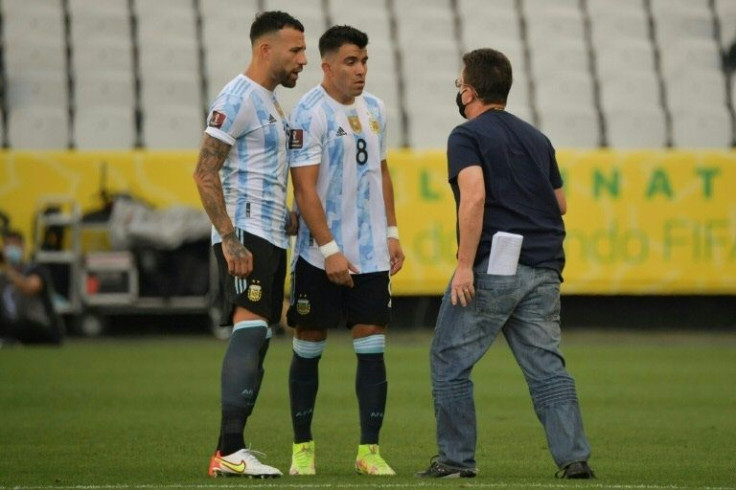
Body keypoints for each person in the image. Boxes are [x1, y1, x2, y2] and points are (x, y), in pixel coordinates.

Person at [415, 48, 595, 479]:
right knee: (547, 367)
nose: (458, 92)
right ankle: (574, 459)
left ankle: (456, 460)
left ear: (471, 91)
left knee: (449, 359)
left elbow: (474, 196)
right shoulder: (537, 138)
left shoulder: (467, 135)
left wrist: (463, 265)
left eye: (460, 85)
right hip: (545, 265)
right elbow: (561, 203)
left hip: (497, 263)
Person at [286, 25, 404, 476]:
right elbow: (305, 188)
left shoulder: (376, 109)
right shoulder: (309, 113)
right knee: (310, 343)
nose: (361, 70)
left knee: (372, 346)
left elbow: (383, 172)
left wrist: (391, 231)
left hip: (372, 254)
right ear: (328, 65)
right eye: (352, 62)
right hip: (320, 256)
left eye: (365, 61)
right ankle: (303, 450)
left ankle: (369, 452)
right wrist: (330, 248)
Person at [192, 10, 306, 479]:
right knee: (251, 330)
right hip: (247, 237)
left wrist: (289, 218)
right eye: (295, 50)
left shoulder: (269, 102)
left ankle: (228, 451)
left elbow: (255, 175)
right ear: (266, 49)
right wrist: (229, 240)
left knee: (259, 338)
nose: (303, 60)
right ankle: (232, 448)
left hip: (269, 232)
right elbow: (204, 171)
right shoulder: (237, 98)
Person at [0, 230, 64, 346]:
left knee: (20, 325)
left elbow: (29, 288)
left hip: (41, 327)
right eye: (7, 245)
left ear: (22, 247)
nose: (10, 249)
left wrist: (7, 268)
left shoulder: (35, 270)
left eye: (15, 245)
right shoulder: (2, 277)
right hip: (14, 326)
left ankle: (8, 340)